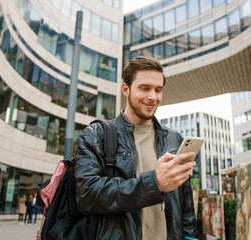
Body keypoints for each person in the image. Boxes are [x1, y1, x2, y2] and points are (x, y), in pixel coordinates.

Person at [75, 56, 197, 239]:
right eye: (145, 88)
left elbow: (186, 207)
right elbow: (87, 196)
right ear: (126, 89)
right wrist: (153, 184)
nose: (153, 97)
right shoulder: (96, 135)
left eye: (158, 90)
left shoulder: (174, 139)